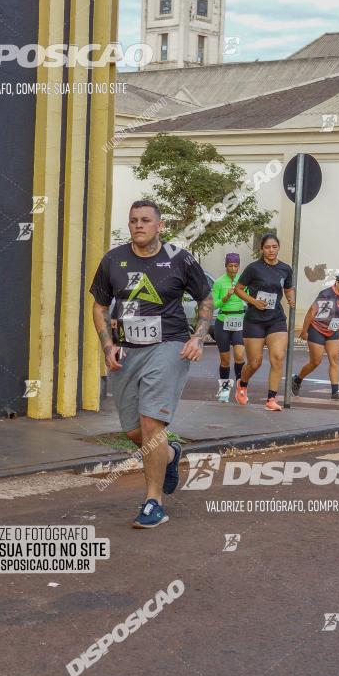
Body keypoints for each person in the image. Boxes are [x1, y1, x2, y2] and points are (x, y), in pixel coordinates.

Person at [90, 200, 213, 527]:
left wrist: (198, 337)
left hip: (169, 345)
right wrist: (107, 345)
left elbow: (206, 299)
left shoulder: (180, 258)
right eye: (133, 221)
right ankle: (170, 455)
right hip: (127, 350)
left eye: (145, 220)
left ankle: (153, 502)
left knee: (150, 425)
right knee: (134, 432)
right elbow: (99, 306)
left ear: (160, 225)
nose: (138, 225)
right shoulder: (113, 260)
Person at [232, 233, 295, 411]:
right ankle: (242, 384)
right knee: (255, 362)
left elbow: (288, 288)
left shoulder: (285, 269)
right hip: (255, 320)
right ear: (262, 249)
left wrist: (291, 298)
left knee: (277, 358)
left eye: (274, 247)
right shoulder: (254, 268)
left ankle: (271, 399)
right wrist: (253, 301)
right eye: (267, 247)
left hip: (276, 319)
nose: (271, 250)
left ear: (278, 248)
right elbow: (238, 289)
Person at [291, 271, 339, 402]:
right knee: (316, 361)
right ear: (337, 282)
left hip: (333, 331)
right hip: (317, 330)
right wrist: (304, 331)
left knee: (335, 359)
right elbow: (311, 312)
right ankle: (297, 379)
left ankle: (335, 392)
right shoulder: (325, 295)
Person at [211, 253, 246, 402]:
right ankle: (224, 390)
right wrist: (225, 297)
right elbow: (214, 304)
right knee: (225, 360)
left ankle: (240, 388)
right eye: (230, 266)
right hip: (223, 320)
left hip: (239, 321)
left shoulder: (243, 281)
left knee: (239, 356)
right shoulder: (219, 282)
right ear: (226, 266)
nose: (233, 269)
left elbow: (248, 297)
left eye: (236, 266)